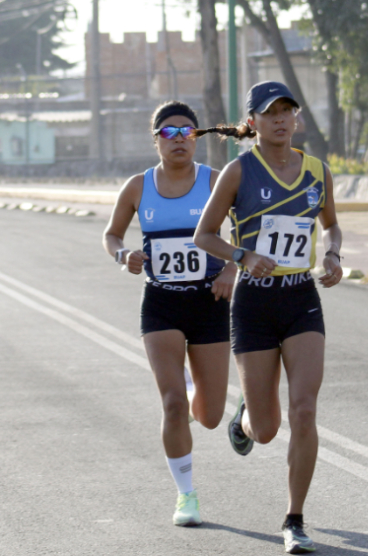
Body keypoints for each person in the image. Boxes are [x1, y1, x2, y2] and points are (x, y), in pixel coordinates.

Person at [192, 81, 343, 554]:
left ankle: (294, 519)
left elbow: (331, 224)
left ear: (296, 118)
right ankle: (246, 421)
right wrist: (242, 255)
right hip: (255, 303)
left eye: (288, 111)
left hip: (301, 299)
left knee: (304, 410)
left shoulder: (318, 170)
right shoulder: (238, 172)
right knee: (269, 427)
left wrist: (334, 254)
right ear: (252, 122)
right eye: (270, 113)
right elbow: (204, 234)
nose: (280, 119)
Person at [102, 101, 236, 527]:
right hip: (160, 303)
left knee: (209, 416)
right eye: (169, 133)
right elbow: (111, 234)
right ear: (155, 139)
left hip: (209, 301)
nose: (179, 140)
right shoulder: (138, 187)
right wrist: (124, 255)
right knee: (174, 405)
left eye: (187, 132)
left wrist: (232, 267)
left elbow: (249, 228)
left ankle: (214, 395)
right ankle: (186, 497)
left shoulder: (215, 182)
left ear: (197, 138)